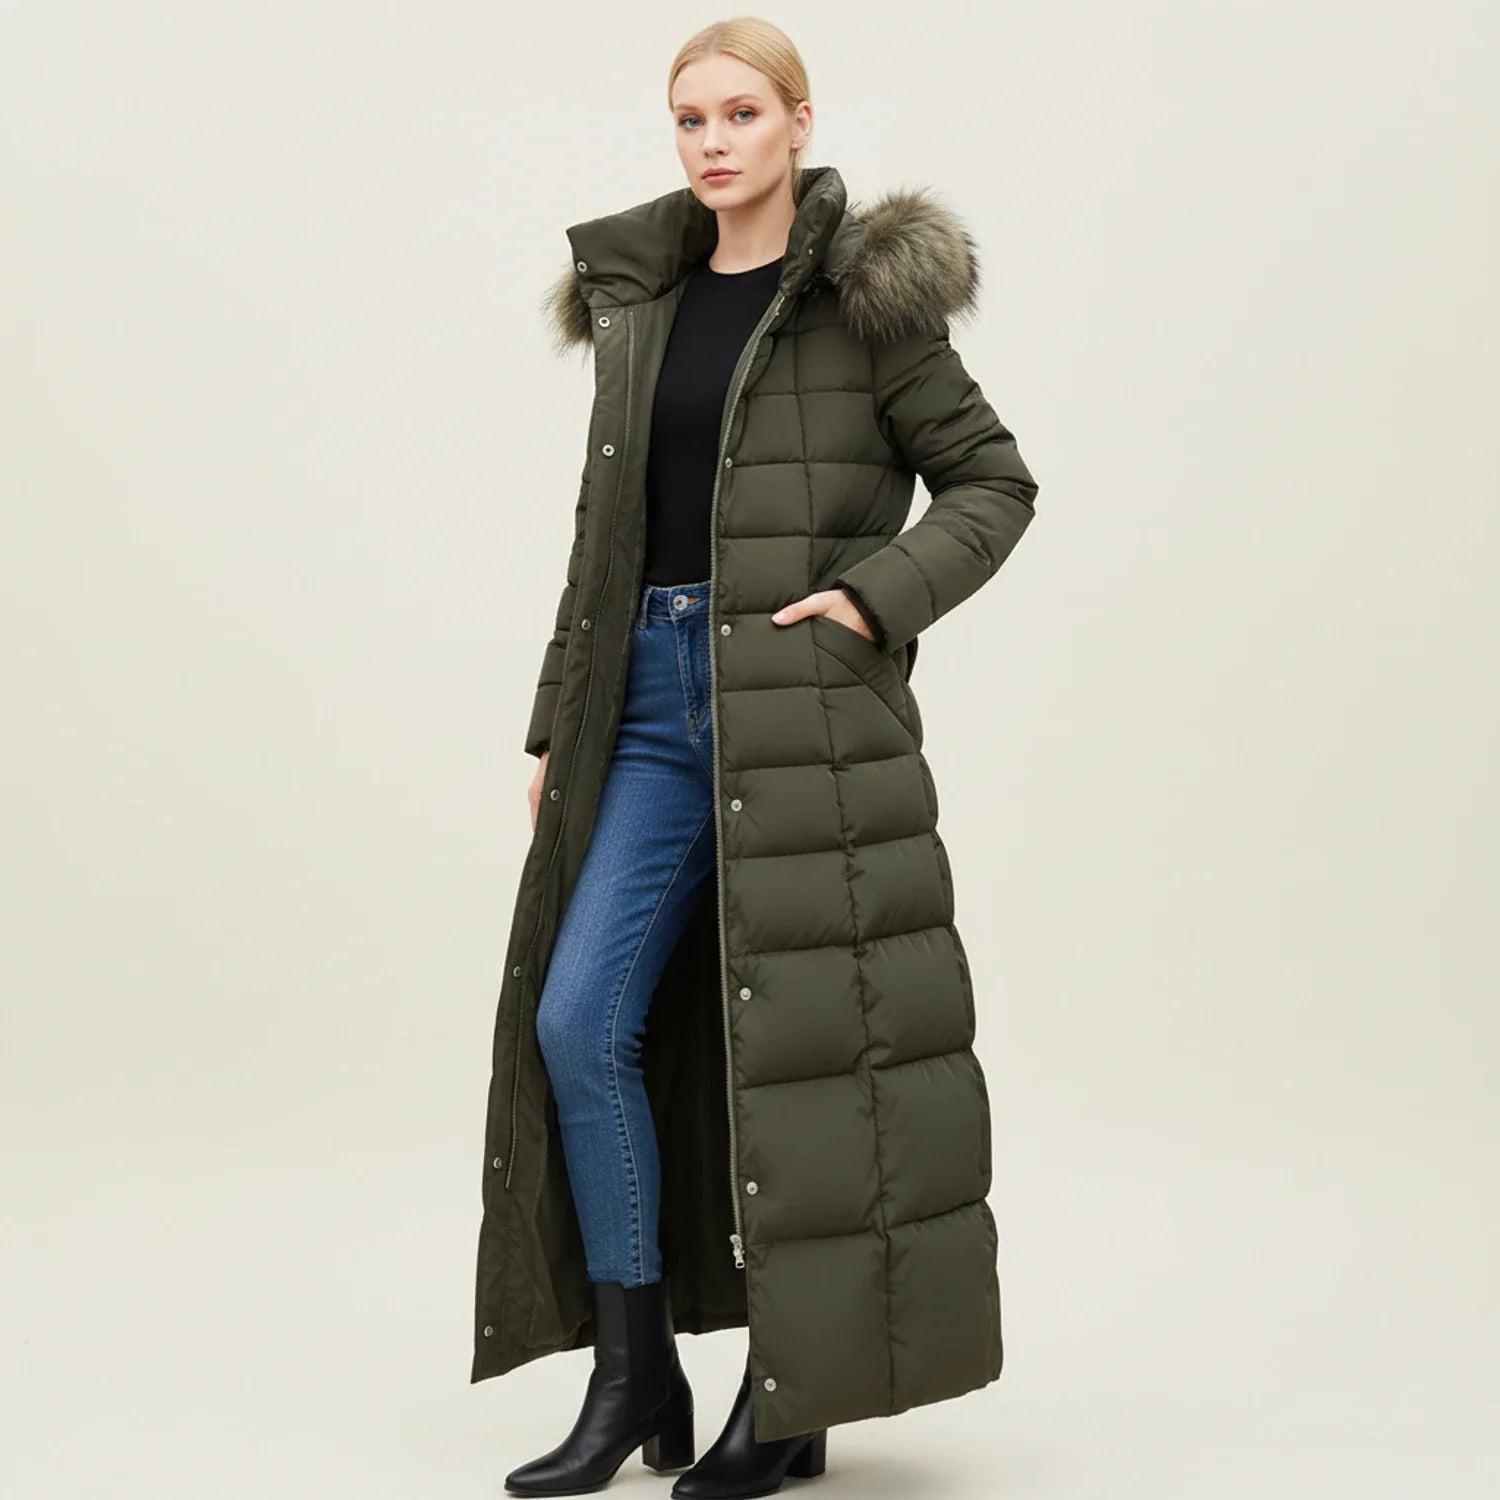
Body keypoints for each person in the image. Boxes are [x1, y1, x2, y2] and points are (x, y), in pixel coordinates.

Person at [480, 18, 1039, 1499]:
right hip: (647, 702)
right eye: (690, 119)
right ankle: (634, 1372)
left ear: (798, 122)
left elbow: (992, 482)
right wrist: (558, 722)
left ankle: (794, 1400)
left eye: (740, 113)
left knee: (804, 1059)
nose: (713, 142)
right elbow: (605, 540)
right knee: (580, 1018)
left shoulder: (865, 302)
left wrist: (867, 600)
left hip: (801, 717)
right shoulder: (645, 301)